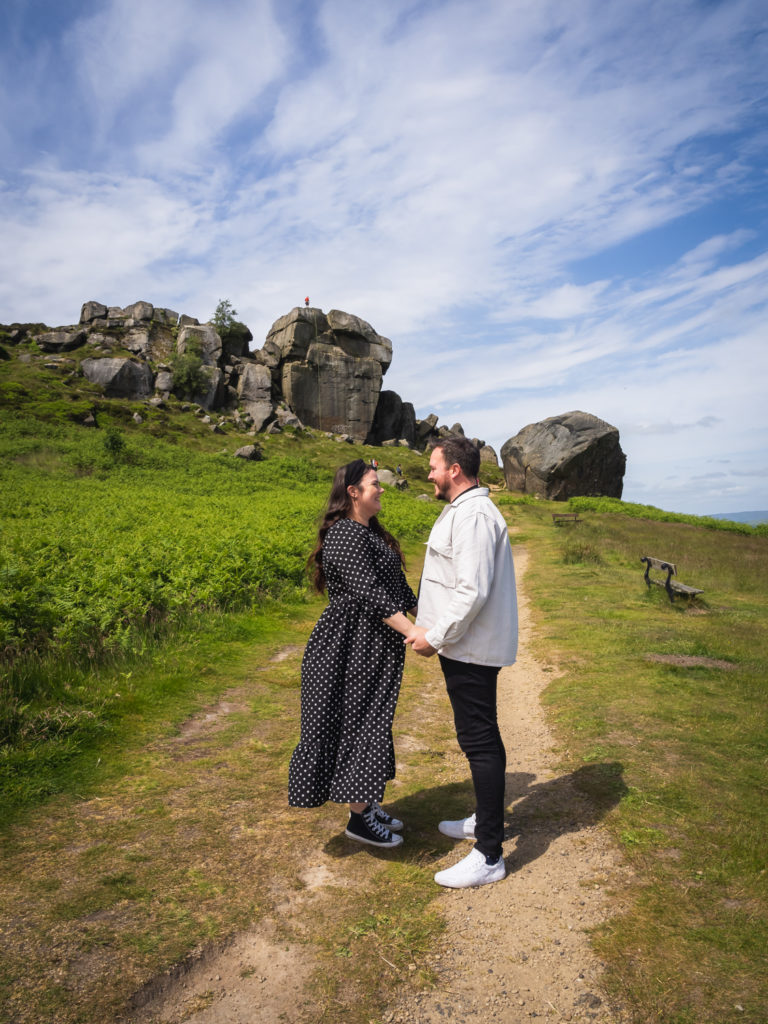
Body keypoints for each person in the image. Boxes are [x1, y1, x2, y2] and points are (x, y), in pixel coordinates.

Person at [289, 459, 419, 848]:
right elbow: (370, 591)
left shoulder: (372, 535)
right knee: (362, 724)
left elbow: (398, 590)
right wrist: (413, 631)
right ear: (353, 492)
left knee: (370, 721)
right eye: (375, 484)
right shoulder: (346, 534)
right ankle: (359, 820)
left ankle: (365, 805)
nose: (381, 490)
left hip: (369, 646)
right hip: (347, 649)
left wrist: (432, 621)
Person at [406, 436, 518, 888]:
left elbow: (471, 590)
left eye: (433, 466)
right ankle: (483, 820)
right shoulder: (467, 509)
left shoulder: (472, 515)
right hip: (467, 646)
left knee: (480, 741)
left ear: (454, 469)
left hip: (468, 648)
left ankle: (489, 854)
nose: (429, 474)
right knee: (479, 737)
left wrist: (434, 636)